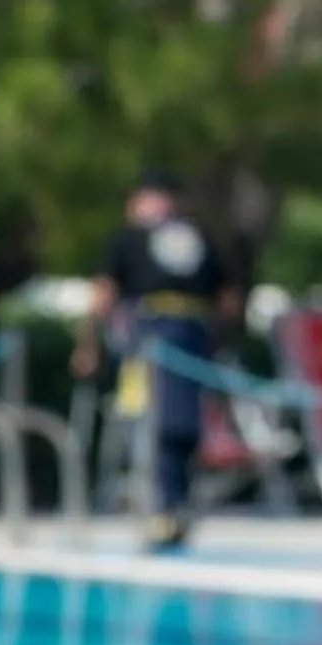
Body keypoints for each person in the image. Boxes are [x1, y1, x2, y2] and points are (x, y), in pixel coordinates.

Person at [74, 170, 236, 551]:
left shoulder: (198, 238)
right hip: (145, 340)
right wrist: (89, 343)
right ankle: (159, 504)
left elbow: (227, 295)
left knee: (179, 426)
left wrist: (220, 342)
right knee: (146, 419)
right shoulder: (127, 241)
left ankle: (174, 505)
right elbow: (105, 294)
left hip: (189, 341)